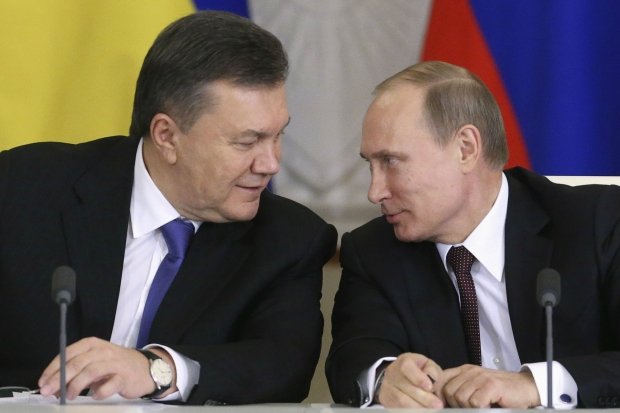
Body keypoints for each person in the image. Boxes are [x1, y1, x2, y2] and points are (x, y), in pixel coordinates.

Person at [0, 11, 337, 405]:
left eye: (278, 136)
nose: (270, 163)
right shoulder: (23, 188)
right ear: (166, 136)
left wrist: (158, 369)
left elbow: (283, 367)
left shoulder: (289, 238)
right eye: (247, 142)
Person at [326, 61, 620, 408]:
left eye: (391, 161)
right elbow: (352, 355)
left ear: (465, 148)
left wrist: (535, 385)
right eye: (370, 164)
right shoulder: (373, 250)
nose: (374, 192)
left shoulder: (598, 221)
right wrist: (385, 377)